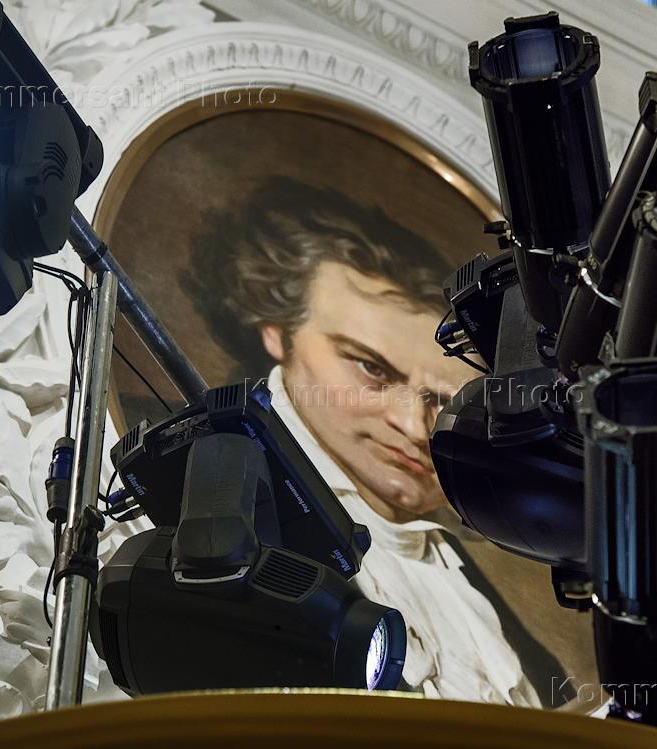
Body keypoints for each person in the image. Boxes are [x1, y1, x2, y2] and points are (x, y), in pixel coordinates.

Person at [185, 177, 542, 706]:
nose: (414, 427)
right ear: (276, 330)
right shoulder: (196, 481)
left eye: (445, 401)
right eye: (372, 369)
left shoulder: (486, 589)